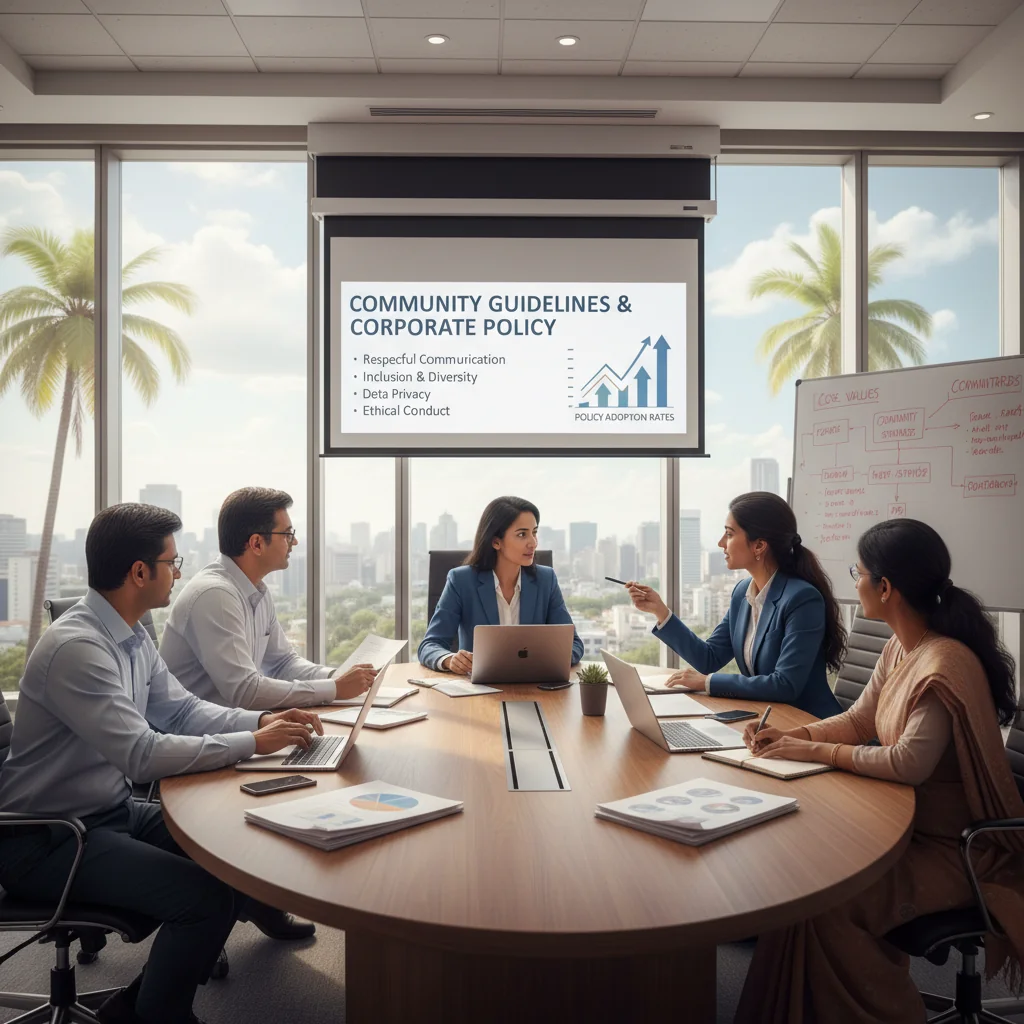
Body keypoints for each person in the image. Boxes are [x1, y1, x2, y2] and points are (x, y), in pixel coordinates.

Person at [0, 504, 325, 1024]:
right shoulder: (78, 648)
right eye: (172, 563)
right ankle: (159, 1015)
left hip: (109, 812)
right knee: (203, 897)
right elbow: (142, 753)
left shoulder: (130, 635)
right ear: (139, 572)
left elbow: (182, 710)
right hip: (48, 839)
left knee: (235, 849)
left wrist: (262, 721)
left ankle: (135, 1007)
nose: (178, 573)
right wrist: (253, 743)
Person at [735, 518, 1024, 1024]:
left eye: (859, 573)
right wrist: (793, 737)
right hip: (905, 826)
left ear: (885, 587)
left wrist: (816, 753)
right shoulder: (901, 646)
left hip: (956, 848)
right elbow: (859, 720)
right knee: (804, 878)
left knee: (830, 901)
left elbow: (908, 763)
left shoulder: (943, 663)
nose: (855, 582)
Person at [626, 491, 844, 719]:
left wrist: (707, 682)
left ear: (759, 546)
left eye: (729, 534)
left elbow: (785, 684)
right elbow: (709, 658)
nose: (721, 543)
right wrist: (660, 611)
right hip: (766, 719)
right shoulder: (742, 593)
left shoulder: (802, 599)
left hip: (809, 723)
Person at [161, 486, 375, 712]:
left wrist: (340, 677)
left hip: (232, 726)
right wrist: (334, 688)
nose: (294, 542)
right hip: (192, 731)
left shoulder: (257, 591)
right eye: (287, 534)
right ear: (256, 543)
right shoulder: (214, 596)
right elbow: (245, 691)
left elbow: (283, 663)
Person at [417, 495, 584, 673]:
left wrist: (546, 659)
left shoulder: (546, 579)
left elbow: (574, 644)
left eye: (534, 533)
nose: (533, 543)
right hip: (478, 686)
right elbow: (430, 645)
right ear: (496, 541)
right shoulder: (461, 581)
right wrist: (449, 659)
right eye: (522, 534)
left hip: (535, 683)